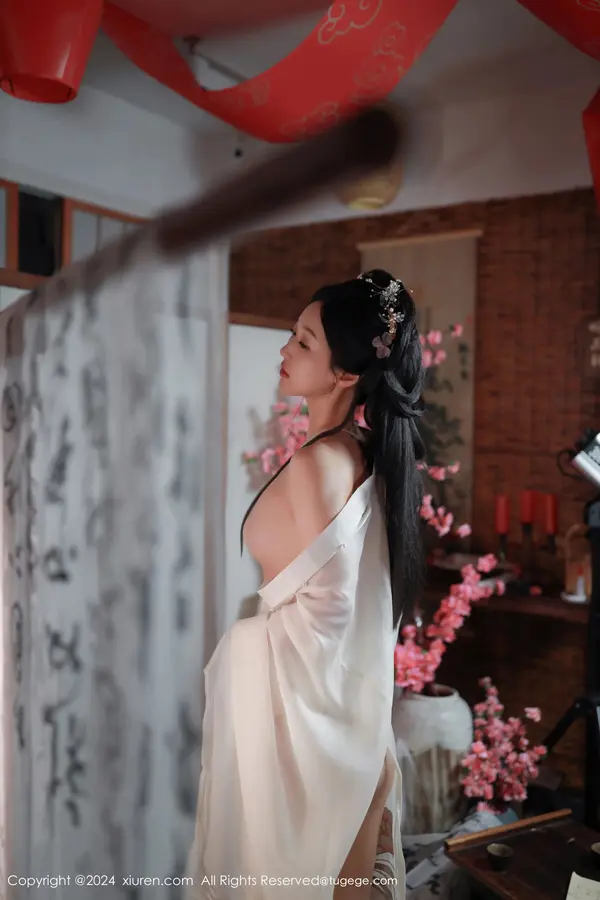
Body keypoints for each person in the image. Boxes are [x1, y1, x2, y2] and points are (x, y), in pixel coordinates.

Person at [187, 270, 425, 899]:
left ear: (345, 373)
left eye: (303, 341)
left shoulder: (322, 461)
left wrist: (247, 638)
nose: (284, 349)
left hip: (314, 742)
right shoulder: (357, 449)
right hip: (337, 723)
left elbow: (332, 614)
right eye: (293, 335)